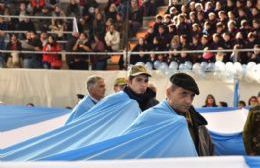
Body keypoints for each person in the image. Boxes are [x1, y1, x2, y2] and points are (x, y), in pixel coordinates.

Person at [243, 91, 260, 155]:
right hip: (257, 149)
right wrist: (249, 150)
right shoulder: (254, 111)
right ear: (258, 98)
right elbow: (247, 131)